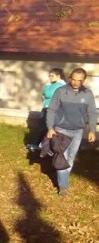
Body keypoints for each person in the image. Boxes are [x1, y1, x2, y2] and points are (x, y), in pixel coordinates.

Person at [46, 68, 97, 196]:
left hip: (78, 131)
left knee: (70, 158)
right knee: (61, 157)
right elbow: (51, 109)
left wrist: (92, 130)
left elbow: (92, 112)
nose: (75, 83)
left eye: (79, 80)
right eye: (73, 79)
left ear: (84, 80)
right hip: (61, 130)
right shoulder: (61, 91)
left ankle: (61, 175)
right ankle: (63, 185)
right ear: (70, 78)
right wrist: (50, 127)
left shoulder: (88, 94)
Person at [26, 68, 66, 151]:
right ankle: (44, 145)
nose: (50, 78)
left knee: (44, 127)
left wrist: (47, 87)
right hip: (46, 107)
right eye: (49, 76)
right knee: (44, 127)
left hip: (52, 109)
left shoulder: (60, 85)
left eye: (52, 76)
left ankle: (38, 145)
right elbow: (43, 95)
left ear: (58, 76)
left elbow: (48, 94)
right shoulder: (52, 84)